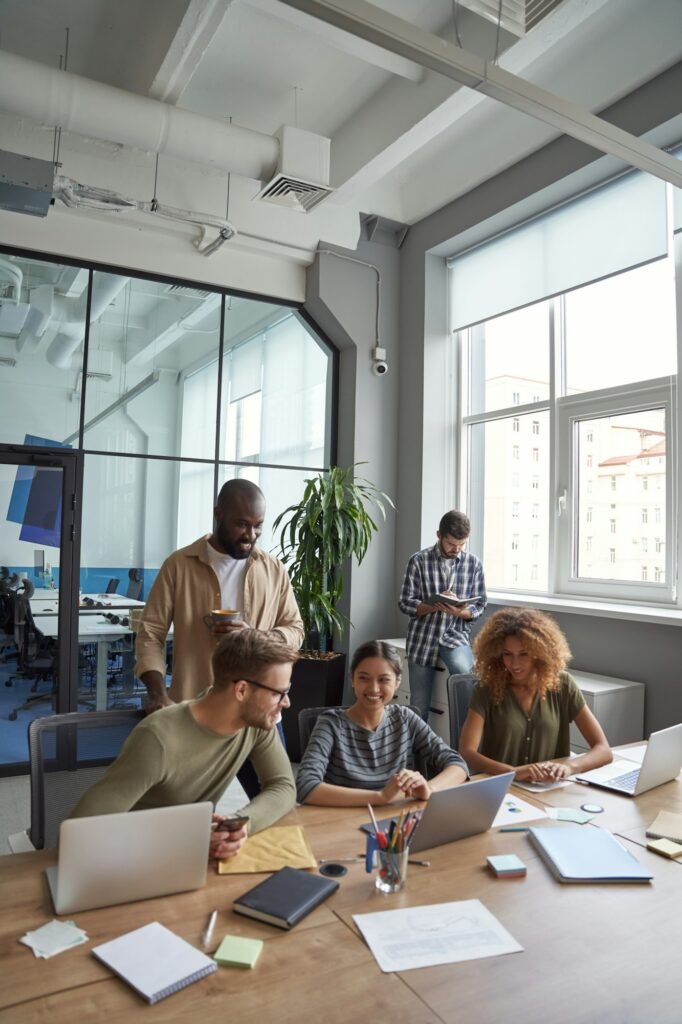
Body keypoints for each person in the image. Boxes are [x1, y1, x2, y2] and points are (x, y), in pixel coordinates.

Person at [71, 630, 298, 860]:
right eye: (279, 693)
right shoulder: (158, 739)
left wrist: (240, 824)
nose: (286, 703)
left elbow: (283, 786)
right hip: (130, 859)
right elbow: (79, 833)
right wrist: (188, 840)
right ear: (241, 690)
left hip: (185, 859)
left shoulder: (256, 724)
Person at [135, 478, 304, 711]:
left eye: (258, 526)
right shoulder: (178, 565)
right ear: (218, 514)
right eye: (242, 524)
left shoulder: (273, 569)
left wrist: (255, 637)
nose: (251, 535)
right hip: (193, 710)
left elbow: (296, 630)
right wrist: (158, 694)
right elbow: (150, 635)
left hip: (260, 709)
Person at [296, 640, 468, 807]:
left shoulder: (405, 719)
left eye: (384, 680)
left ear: (397, 683)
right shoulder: (330, 724)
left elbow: (457, 764)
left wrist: (429, 788)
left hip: (397, 824)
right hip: (344, 824)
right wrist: (380, 797)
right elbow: (306, 786)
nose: (374, 688)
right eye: (364, 678)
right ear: (352, 679)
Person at [459, 607, 613, 782]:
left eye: (523, 654)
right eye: (507, 654)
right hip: (503, 787)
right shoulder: (486, 689)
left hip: (551, 788)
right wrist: (513, 773)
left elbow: (603, 750)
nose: (514, 664)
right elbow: (467, 751)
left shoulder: (563, 685)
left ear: (539, 653)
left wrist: (569, 767)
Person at [399, 510, 486, 720]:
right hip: (423, 638)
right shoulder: (418, 561)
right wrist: (434, 604)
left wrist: (461, 612)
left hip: (455, 636)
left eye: (461, 545)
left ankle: (463, 750)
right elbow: (405, 603)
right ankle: (418, 752)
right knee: (418, 704)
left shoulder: (473, 564)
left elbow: (480, 604)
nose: (456, 549)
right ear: (439, 535)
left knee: (467, 681)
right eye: (451, 544)